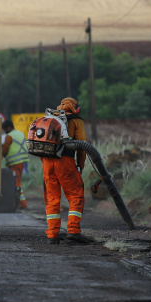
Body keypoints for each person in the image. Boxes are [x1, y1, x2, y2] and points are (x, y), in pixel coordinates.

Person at [42, 97, 87, 244]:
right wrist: (80, 165)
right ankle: (73, 231)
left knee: (52, 197)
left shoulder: (50, 118)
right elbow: (82, 145)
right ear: (75, 108)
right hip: (65, 161)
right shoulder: (76, 120)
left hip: (47, 161)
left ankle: (52, 234)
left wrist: (45, 163)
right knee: (75, 194)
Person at [1, 118, 29, 209]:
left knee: (16, 183)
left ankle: (22, 204)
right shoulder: (21, 134)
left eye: (5, 129)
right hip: (22, 162)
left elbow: (5, 149)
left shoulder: (9, 136)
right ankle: (20, 202)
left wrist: (1, 156)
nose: (5, 131)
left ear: (8, 128)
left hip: (14, 163)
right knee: (18, 182)